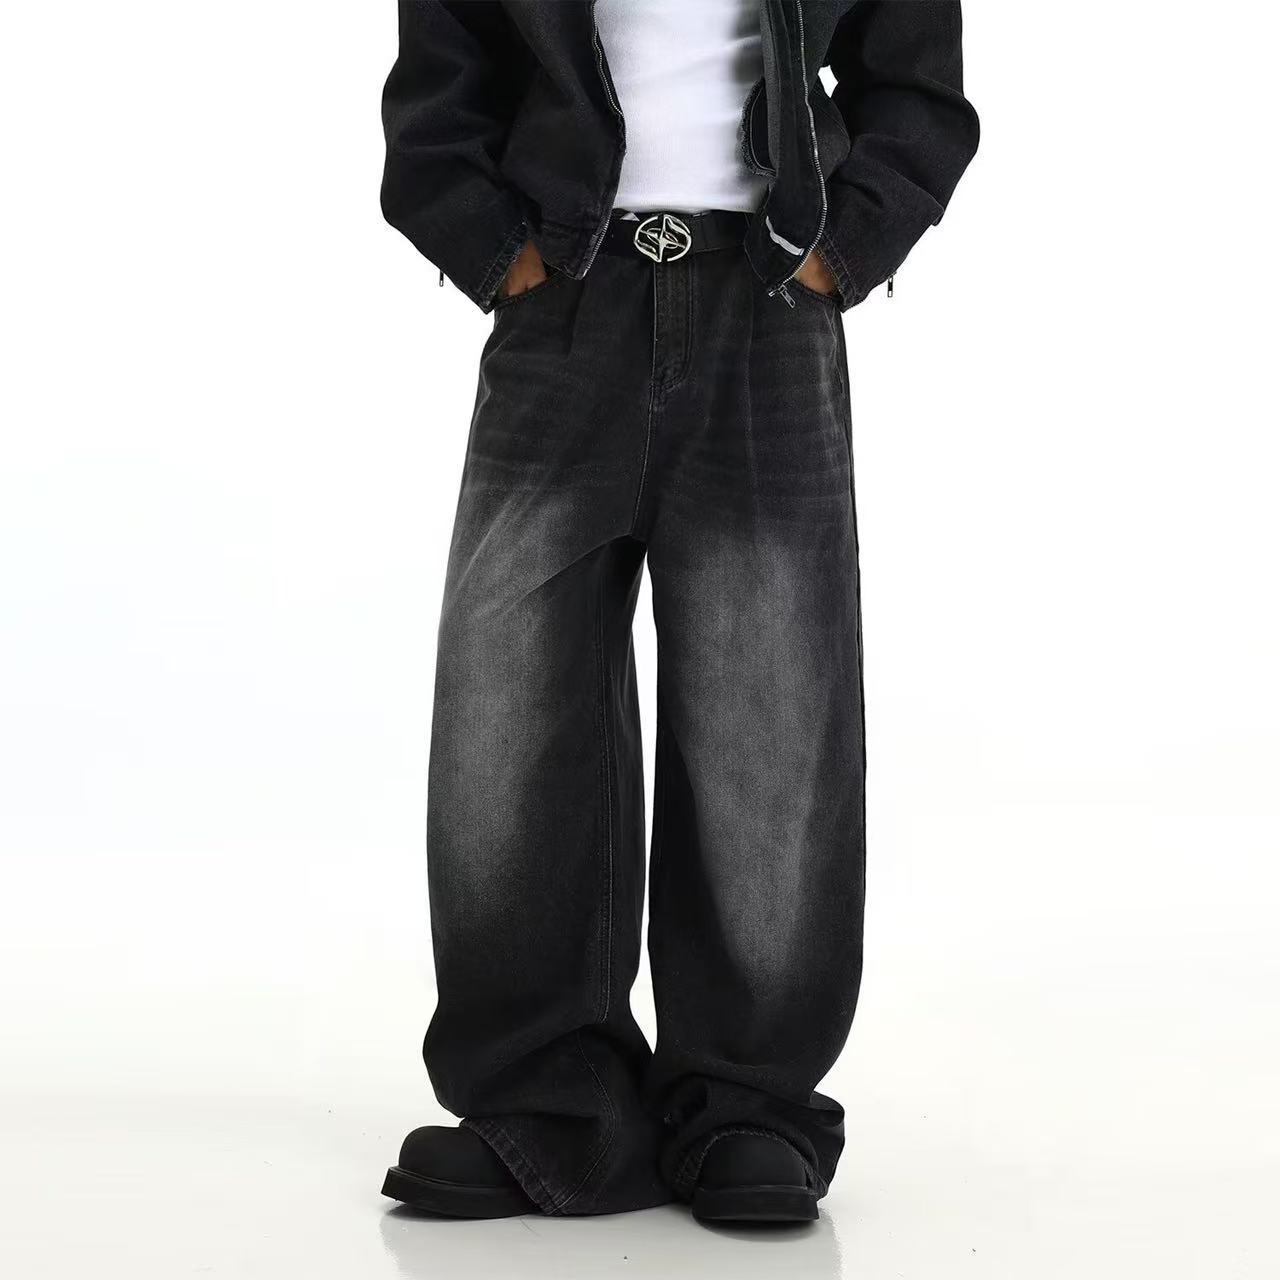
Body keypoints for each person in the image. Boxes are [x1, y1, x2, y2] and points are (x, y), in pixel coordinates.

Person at [377, 0, 978, 1225]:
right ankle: (544, 1101)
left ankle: (747, 1103)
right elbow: (441, 76)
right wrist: (493, 246)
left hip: (766, 301)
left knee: (770, 712)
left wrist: (844, 245)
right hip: (563, 294)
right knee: (509, 701)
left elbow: (916, 89)